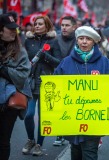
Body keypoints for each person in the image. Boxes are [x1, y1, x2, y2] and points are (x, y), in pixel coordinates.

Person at [54, 26, 109, 160]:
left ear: (94, 42)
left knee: (89, 153)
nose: (84, 42)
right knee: (75, 152)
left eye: (88, 39)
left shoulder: (105, 63)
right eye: (81, 38)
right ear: (77, 41)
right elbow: (55, 87)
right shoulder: (66, 63)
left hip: (95, 119)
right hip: (71, 118)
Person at [22, 15, 60, 156]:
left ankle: (39, 144)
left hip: (46, 82)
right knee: (29, 114)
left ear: (47, 26)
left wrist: (45, 56)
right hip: (30, 82)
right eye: (35, 24)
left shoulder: (53, 41)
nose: (37, 26)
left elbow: (58, 62)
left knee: (43, 117)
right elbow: (22, 59)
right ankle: (30, 140)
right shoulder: (28, 41)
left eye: (40, 24)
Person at [0, 13, 32, 160]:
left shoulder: (20, 50)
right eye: (10, 28)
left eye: (15, 29)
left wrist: (3, 70)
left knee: (4, 141)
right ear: (1, 30)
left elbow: (23, 75)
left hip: (9, 103)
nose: (14, 31)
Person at [51, 16, 77, 146]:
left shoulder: (79, 40)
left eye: (67, 25)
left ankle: (72, 133)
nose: (64, 28)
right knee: (60, 107)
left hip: (75, 79)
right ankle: (60, 133)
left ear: (74, 27)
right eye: (62, 25)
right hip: (60, 77)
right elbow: (57, 61)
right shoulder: (56, 41)